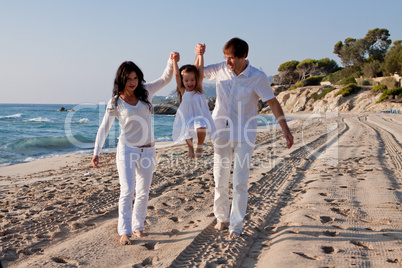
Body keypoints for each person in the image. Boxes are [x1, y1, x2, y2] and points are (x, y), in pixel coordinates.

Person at [195, 38, 293, 239]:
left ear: (243, 57)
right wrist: (200, 55)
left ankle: (236, 226)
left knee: (240, 182)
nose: (227, 62)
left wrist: (286, 130)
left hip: (244, 136)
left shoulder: (257, 77)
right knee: (220, 179)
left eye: (231, 59)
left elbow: (273, 103)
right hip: (221, 132)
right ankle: (222, 217)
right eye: (225, 58)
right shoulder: (221, 69)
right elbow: (197, 74)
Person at [91, 52, 179, 245]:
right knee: (127, 190)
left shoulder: (146, 91)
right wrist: (96, 152)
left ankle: (138, 228)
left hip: (148, 150)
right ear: (121, 79)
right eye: (129, 78)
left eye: (135, 78)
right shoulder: (115, 101)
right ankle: (124, 231)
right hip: (127, 150)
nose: (133, 82)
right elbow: (104, 127)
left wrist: (171, 61)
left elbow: (165, 78)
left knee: (143, 192)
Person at [171, 49, 216, 158]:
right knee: (187, 132)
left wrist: (200, 55)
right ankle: (190, 148)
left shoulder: (198, 88)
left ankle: (199, 146)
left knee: (201, 127)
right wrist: (174, 62)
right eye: (186, 80)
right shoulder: (183, 90)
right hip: (187, 114)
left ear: (196, 80)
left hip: (199, 114)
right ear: (182, 81)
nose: (189, 83)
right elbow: (177, 75)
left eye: (192, 80)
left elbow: (200, 70)